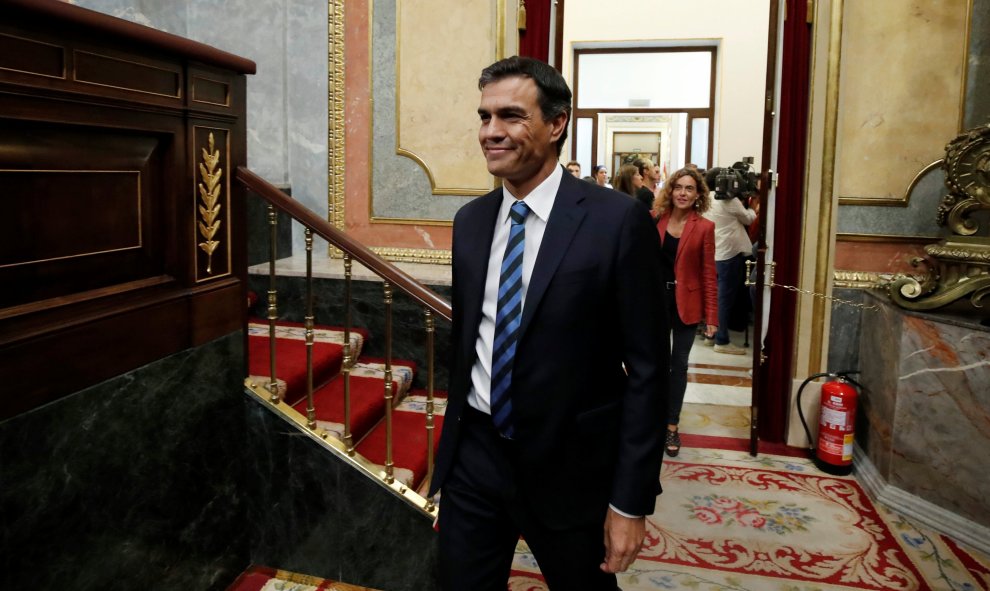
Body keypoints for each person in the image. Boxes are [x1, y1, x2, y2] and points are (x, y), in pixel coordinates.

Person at [430, 56, 669, 591]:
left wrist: (629, 500)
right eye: (485, 117)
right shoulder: (470, 223)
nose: (491, 132)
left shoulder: (616, 221)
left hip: (572, 467)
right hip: (476, 458)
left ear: (556, 123)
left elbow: (650, 370)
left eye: (511, 116)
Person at [652, 167, 718, 457]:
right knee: (653, 364)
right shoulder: (655, 220)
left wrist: (712, 317)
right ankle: (650, 420)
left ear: (698, 195)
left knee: (677, 366)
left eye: (689, 188)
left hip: (686, 304)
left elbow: (708, 273)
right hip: (655, 301)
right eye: (678, 187)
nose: (682, 193)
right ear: (670, 190)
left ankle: (671, 426)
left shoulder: (704, 227)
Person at [703, 189, 757, 355]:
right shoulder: (729, 200)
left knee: (714, 295)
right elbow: (748, 219)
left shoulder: (708, 197)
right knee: (724, 298)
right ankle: (722, 339)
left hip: (715, 251)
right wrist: (753, 207)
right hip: (728, 253)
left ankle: (710, 334)